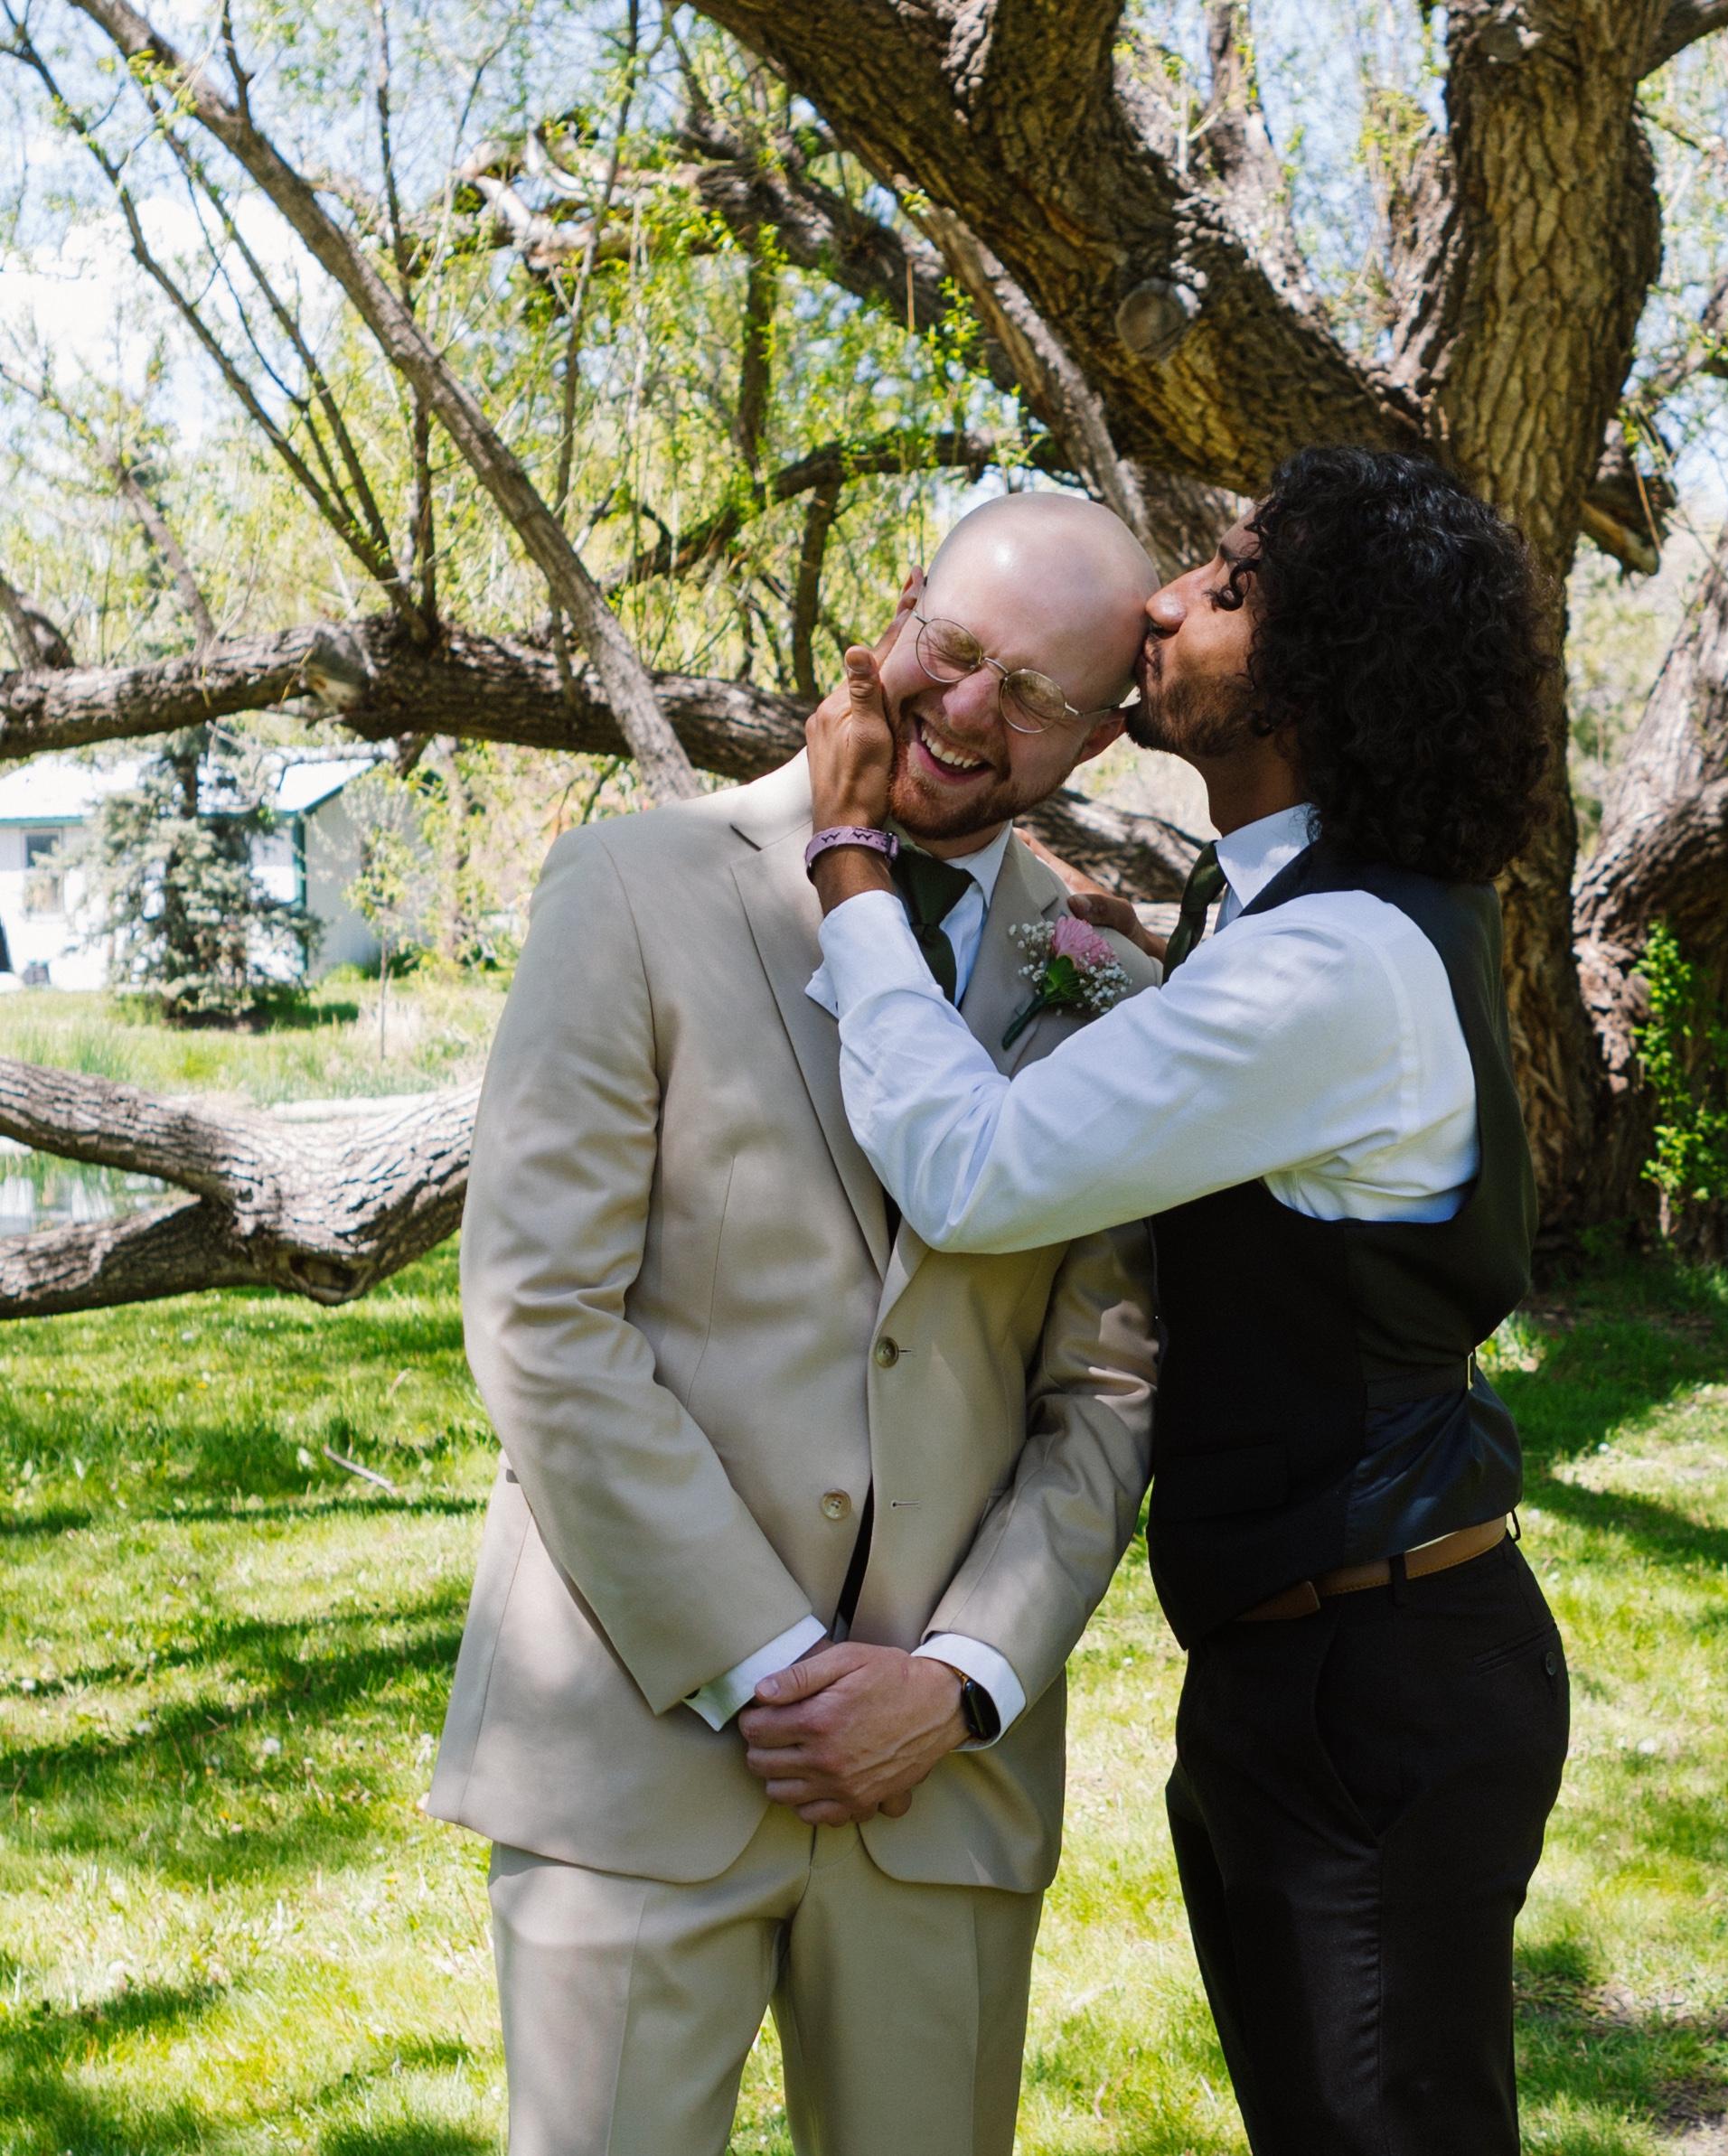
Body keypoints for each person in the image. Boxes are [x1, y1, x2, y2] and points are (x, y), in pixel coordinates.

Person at [798, 446, 1571, 2155]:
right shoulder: (1292, 907)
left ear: (1318, 673)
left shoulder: (1330, 960)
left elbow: (975, 1170)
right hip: (1316, 1660)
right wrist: (1139, 969)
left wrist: (850, 862)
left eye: (1224, 585)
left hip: (1371, 1683)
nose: (1162, 602)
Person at [427, 491, 1163, 2156]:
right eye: (951, 649)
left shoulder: (1112, 988)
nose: (964, 709)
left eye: (1032, 694)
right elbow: (541, 1314)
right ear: (896, 609)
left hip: (940, 1783)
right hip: (633, 1738)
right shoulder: (629, 887)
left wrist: (958, 1679)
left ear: (1104, 734)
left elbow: (1105, 1392)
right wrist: (769, 1661)